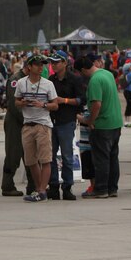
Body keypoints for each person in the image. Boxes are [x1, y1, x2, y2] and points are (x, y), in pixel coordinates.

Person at [74, 55, 122, 198]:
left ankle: (100, 189)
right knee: (113, 157)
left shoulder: (94, 80)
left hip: (102, 124)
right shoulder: (106, 73)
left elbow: (97, 104)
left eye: (79, 72)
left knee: (101, 159)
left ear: (83, 70)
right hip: (115, 122)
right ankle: (112, 188)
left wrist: (89, 121)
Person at [14, 54, 59, 202]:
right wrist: (23, 102)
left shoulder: (48, 84)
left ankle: (41, 190)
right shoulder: (21, 83)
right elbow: (16, 102)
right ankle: (41, 189)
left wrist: (43, 105)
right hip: (27, 124)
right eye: (38, 65)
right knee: (31, 160)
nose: (41, 67)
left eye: (43, 65)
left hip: (43, 125)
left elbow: (55, 105)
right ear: (29, 67)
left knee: (45, 159)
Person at [49, 51, 86, 200]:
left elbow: (82, 100)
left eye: (57, 62)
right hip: (52, 121)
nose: (54, 64)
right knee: (50, 156)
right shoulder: (51, 80)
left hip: (67, 121)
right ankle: (53, 186)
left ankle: (67, 186)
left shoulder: (75, 79)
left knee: (67, 156)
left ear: (65, 63)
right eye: (52, 62)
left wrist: (64, 100)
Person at [0, 61, 31, 197]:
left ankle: (33, 184)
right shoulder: (15, 80)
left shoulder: (30, 80)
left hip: (27, 120)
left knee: (30, 153)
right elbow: (13, 105)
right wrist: (27, 120)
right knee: (13, 153)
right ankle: (7, 184)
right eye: (38, 65)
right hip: (15, 121)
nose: (41, 68)